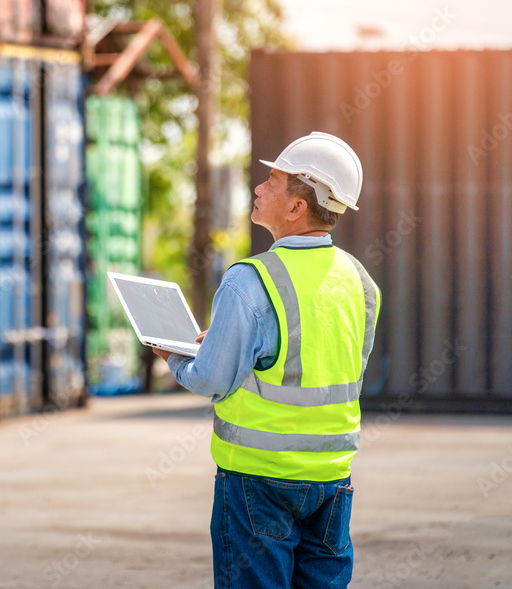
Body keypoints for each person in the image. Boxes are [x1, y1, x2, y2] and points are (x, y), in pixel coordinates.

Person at [153, 132, 380, 589]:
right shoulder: (360, 280)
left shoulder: (249, 281)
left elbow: (211, 379)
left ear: (297, 207)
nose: (258, 188)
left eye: (272, 181)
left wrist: (174, 357)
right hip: (332, 481)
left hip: (258, 480)